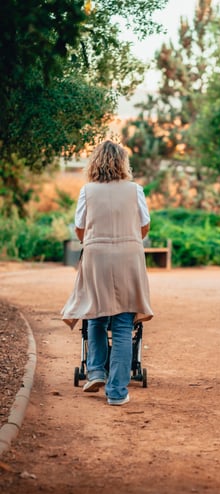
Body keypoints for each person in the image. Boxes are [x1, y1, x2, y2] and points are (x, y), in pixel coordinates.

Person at [62, 140, 153, 406]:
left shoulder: (87, 191)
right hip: (129, 256)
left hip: (97, 257)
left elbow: (79, 227)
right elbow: (144, 225)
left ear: (95, 163)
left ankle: (96, 371)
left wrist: (92, 238)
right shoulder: (135, 190)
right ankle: (116, 392)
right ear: (123, 163)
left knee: (96, 315)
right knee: (124, 324)